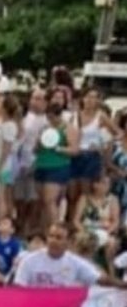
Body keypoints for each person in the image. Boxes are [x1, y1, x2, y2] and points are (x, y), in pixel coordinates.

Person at [14, 222, 126, 288]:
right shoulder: (29, 261)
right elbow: (18, 288)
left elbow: (102, 280)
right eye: (50, 236)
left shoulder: (75, 262)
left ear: (68, 241)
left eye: (58, 238)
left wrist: (123, 285)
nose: (53, 241)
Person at [70, 88, 115, 221]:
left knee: (85, 193)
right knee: (71, 193)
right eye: (88, 96)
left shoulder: (100, 116)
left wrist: (103, 144)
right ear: (83, 98)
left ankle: (83, 221)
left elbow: (116, 133)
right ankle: (71, 222)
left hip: (91, 157)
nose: (90, 100)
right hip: (75, 155)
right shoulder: (75, 115)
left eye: (94, 97)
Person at [35, 103, 78, 229]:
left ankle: (55, 229)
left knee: (50, 200)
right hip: (42, 164)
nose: (51, 120)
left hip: (58, 166)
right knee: (42, 202)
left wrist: (58, 148)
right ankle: (44, 230)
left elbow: (74, 150)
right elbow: (36, 149)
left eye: (53, 117)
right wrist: (39, 145)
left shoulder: (68, 128)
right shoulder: (45, 128)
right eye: (48, 117)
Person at [16, 88, 47, 236]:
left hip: (38, 162)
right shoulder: (24, 117)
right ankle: (20, 224)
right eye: (34, 98)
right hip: (21, 162)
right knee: (19, 197)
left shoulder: (47, 120)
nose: (36, 102)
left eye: (40, 99)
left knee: (33, 199)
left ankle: (29, 227)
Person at [72, 176, 119, 271]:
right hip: (86, 230)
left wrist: (108, 232)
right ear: (95, 185)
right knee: (81, 239)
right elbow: (76, 220)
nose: (107, 186)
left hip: (105, 230)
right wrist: (84, 231)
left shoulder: (113, 199)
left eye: (108, 184)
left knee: (111, 243)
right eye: (104, 183)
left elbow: (115, 221)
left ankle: (111, 272)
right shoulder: (84, 198)